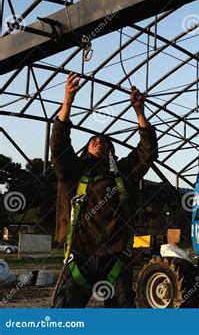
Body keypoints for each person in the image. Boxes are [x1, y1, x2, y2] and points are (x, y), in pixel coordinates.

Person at [51, 73, 157, 307]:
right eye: (93, 140)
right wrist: (67, 102)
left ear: (112, 151)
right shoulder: (73, 171)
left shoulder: (123, 173)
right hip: (79, 255)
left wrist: (140, 113)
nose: (99, 141)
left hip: (117, 258)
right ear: (86, 149)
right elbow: (59, 146)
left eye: (104, 141)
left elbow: (146, 152)